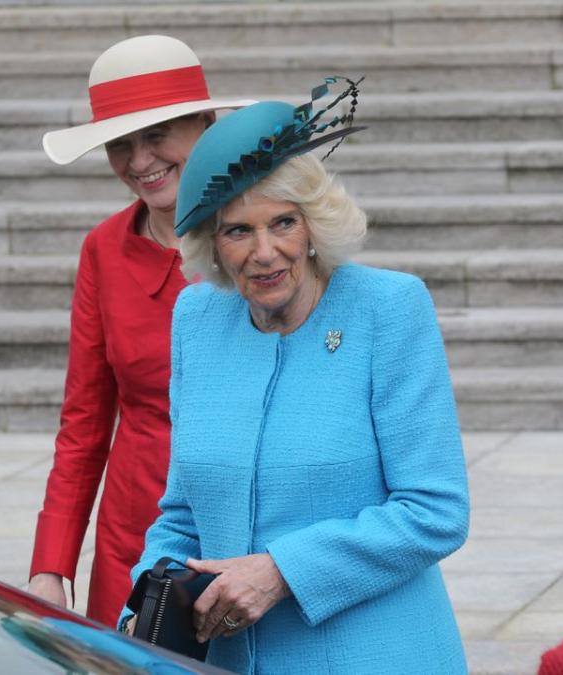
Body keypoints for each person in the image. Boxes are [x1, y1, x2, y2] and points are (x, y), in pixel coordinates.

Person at [123, 82, 470, 674]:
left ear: (313, 227)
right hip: (229, 659)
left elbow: (435, 510)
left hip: (375, 654)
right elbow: (183, 510)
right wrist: (147, 600)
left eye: (283, 223)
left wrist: (280, 572)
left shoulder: (387, 309)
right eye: (238, 230)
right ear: (212, 242)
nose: (264, 252)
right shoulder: (198, 318)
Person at [27, 34, 253, 625]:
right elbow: (83, 421)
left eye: (157, 135)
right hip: (136, 538)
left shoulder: (268, 241)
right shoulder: (103, 250)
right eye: (120, 145)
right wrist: (51, 564)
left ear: (206, 124)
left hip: (250, 530)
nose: (139, 160)